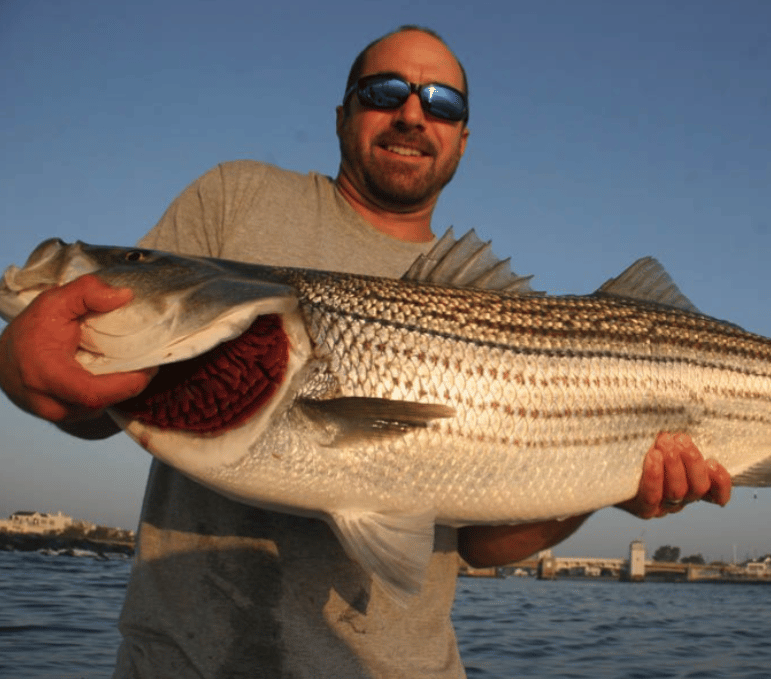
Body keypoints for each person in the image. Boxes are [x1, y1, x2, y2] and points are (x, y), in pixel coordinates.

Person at [0, 26, 732, 678]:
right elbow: (108, 400)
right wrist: (27, 372)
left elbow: (481, 542)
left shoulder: (489, 298)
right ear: (344, 113)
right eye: (385, 91)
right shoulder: (236, 200)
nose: (413, 113)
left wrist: (608, 485)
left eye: (441, 103)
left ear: (463, 138)